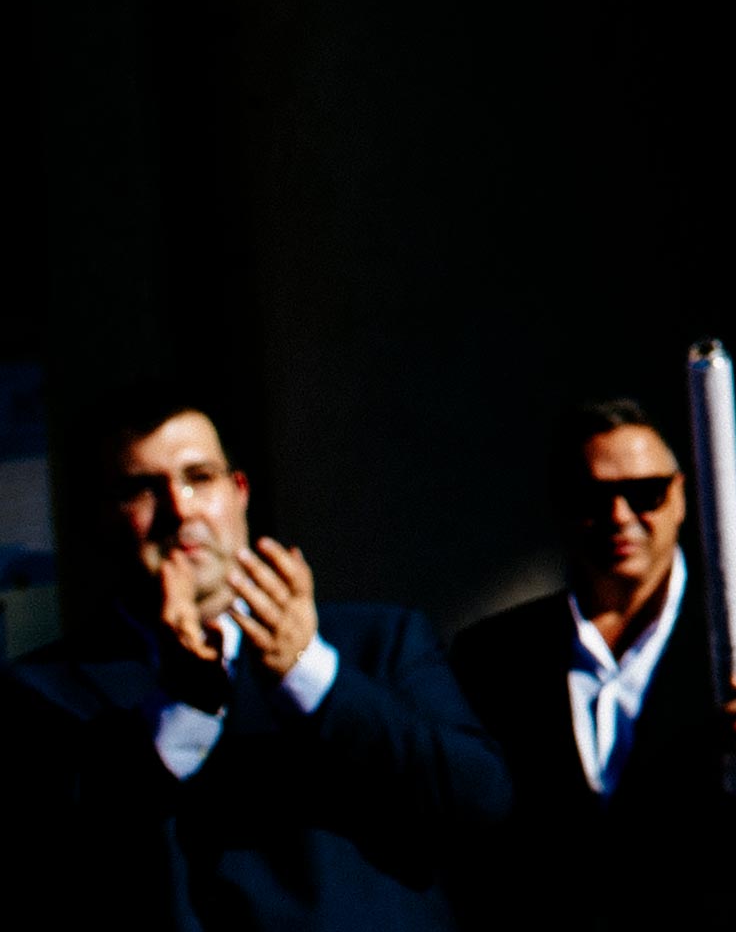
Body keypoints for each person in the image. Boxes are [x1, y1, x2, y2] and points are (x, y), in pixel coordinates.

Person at [0, 394, 511, 926]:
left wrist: (314, 675)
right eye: (142, 490)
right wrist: (179, 714)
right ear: (98, 519)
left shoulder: (378, 640)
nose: (181, 509)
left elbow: (481, 800)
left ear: (239, 492)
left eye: (200, 477)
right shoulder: (42, 690)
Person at [448, 399, 736, 928]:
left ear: (679, 496)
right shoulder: (493, 655)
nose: (619, 516)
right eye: (592, 496)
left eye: (644, 493)